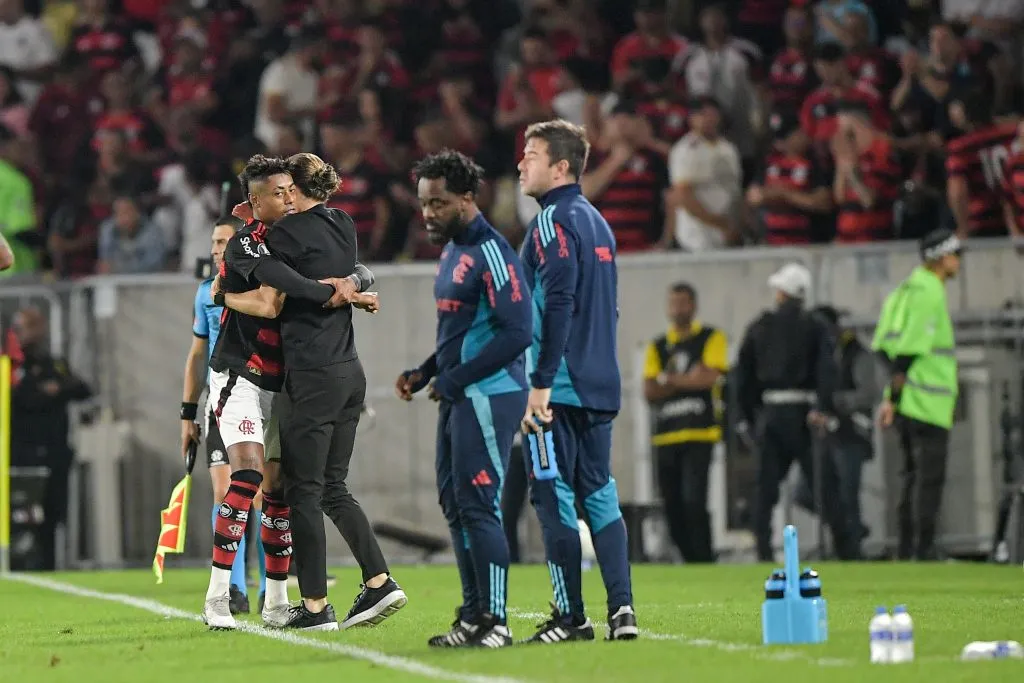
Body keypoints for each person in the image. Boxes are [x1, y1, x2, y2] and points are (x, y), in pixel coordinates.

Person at [227, 152, 406, 631]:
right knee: (333, 487)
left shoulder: (281, 235)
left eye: (288, 189)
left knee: (302, 493)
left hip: (310, 375)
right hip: (349, 372)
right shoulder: (342, 222)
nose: (284, 198)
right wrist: (352, 286)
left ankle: (313, 607)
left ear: (297, 189)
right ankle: (379, 581)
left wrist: (327, 292)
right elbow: (358, 269)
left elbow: (280, 283)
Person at [396, 150, 532, 649]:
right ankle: (473, 614)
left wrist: (455, 379)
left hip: (490, 394)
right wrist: (427, 371)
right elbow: (461, 332)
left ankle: (496, 621)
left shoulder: (493, 251)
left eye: (439, 203)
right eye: (424, 203)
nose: (428, 213)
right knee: (455, 504)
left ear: (468, 199)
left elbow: (518, 332)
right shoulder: (452, 250)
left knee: (479, 505)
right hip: (459, 390)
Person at [517, 119, 637, 643]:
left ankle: (571, 618)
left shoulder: (551, 221)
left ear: (561, 167)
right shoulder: (598, 223)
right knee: (600, 493)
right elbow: (608, 307)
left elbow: (558, 302)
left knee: (552, 496)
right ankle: (623, 610)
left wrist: (540, 383)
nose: (522, 163)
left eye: (532, 155)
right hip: (598, 382)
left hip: (558, 389)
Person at [197, 155, 298, 631]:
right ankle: (218, 596)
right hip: (240, 372)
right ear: (255, 202)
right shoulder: (244, 244)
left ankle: (276, 603)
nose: (289, 199)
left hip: (283, 379)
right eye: (278, 193)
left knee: (278, 490)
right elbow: (269, 303)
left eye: (291, 190)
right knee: (248, 476)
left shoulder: (301, 238)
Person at [734, 263, 859, 561]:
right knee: (826, 486)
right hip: (805, 413)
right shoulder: (816, 326)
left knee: (765, 489)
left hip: (771, 414)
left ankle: (763, 552)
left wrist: (745, 418)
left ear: (781, 293)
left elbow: (743, 377)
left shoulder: (760, 326)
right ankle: (848, 550)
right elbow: (827, 370)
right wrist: (822, 407)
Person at [181, 214, 264, 616]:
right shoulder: (204, 293)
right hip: (218, 402)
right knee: (223, 491)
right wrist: (187, 413)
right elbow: (197, 354)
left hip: (258, 396)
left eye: (222, 242)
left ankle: (270, 588)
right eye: (213, 242)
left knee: (261, 494)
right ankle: (234, 589)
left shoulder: (260, 289)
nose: (215, 250)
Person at [872, 229, 961, 560]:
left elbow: (883, 348)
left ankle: (907, 550)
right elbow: (910, 351)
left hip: (905, 401)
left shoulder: (902, 291)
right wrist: (895, 397)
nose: (958, 261)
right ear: (941, 258)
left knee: (910, 477)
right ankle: (924, 551)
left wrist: (891, 400)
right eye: (955, 254)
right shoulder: (930, 291)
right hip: (928, 401)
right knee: (928, 479)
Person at [642, 282, 727, 564]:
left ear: (693, 306)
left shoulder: (710, 337)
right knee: (671, 505)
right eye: (673, 303)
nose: (678, 309)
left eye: (683, 303)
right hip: (665, 436)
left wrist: (668, 380)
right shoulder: (657, 345)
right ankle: (689, 559)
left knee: (694, 500)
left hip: (699, 433)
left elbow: (709, 378)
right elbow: (649, 391)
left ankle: (704, 558)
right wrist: (688, 379)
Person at [9, 307, 92, 571]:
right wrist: (49, 392)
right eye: (25, 327)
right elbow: (23, 399)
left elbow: (81, 388)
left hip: (54, 451)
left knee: (52, 512)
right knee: (20, 514)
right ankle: (17, 565)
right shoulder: (13, 365)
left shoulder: (53, 363)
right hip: (21, 453)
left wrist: (56, 389)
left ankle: (49, 566)